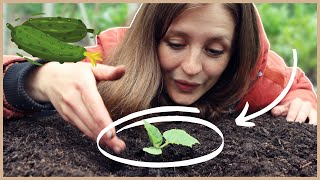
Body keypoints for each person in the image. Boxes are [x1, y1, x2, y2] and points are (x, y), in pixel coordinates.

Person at [3, 3, 317, 155]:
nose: (192, 67)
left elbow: (292, 85)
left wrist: (302, 101)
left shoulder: (256, 80)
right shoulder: (114, 59)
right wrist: (38, 79)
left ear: (236, 55)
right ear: (150, 39)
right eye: (175, 44)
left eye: (214, 50)